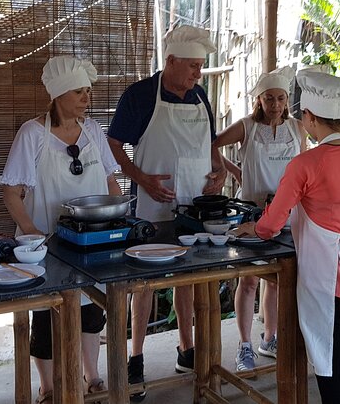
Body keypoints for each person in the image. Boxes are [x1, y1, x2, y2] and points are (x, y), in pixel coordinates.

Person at [236, 70, 340, 403]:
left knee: (331, 368)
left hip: (328, 283)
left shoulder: (304, 164)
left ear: (310, 117)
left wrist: (251, 228)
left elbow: (271, 224)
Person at [107, 25, 227, 401]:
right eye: (192, 66)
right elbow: (112, 143)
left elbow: (209, 141)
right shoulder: (141, 95)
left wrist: (219, 168)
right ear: (171, 61)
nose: (196, 74)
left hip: (196, 204)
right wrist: (140, 177)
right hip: (153, 206)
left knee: (189, 279)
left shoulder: (199, 96)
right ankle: (136, 357)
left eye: (200, 67)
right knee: (143, 285)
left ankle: (185, 350)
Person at [0, 56, 120, 404]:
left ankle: (92, 375)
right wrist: (32, 231)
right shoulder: (33, 134)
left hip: (91, 237)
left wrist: (119, 217)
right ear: (57, 95)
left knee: (91, 309)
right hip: (48, 242)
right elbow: (11, 192)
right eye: (79, 92)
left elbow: (111, 180)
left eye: (88, 91)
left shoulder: (93, 130)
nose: (87, 98)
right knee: (45, 316)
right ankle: (49, 387)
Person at [212, 66, 306, 371]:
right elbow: (212, 144)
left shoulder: (297, 129)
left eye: (280, 98)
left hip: (288, 214)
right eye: (269, 99)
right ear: (260, 100)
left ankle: (269, 337)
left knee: (277, 281)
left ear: (287, 100)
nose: (276, 105)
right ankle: (244, 345)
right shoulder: (246, 127)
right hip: (252, 214)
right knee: (249, 280)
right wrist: (233, 170)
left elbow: (303, 167)